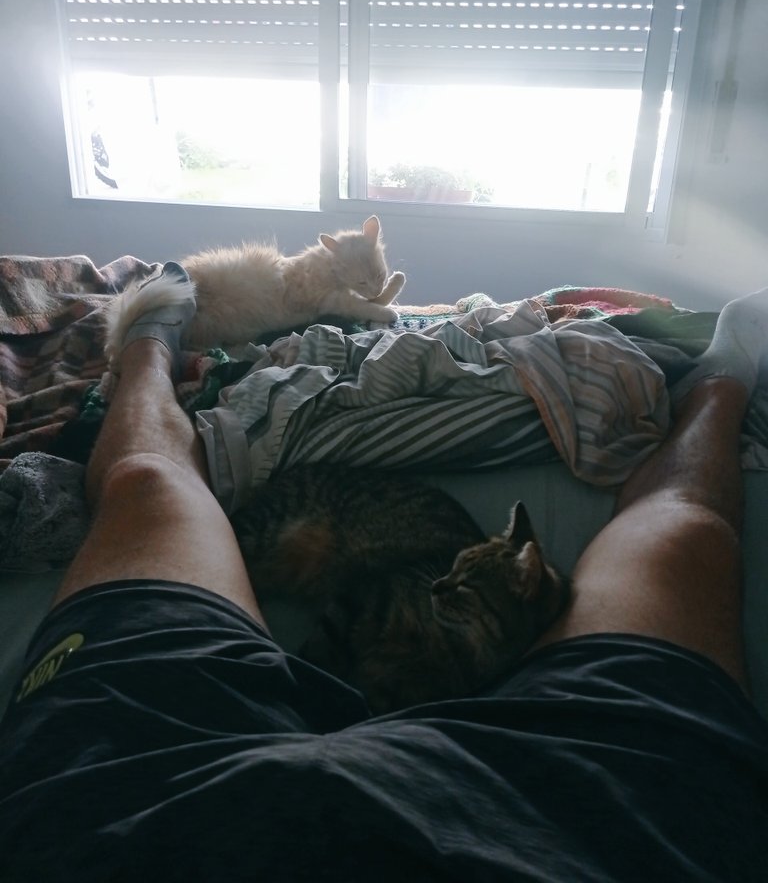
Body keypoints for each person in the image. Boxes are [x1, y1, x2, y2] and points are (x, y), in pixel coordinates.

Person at [0, 266, 767, 883]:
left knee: (146, 484)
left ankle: (147, 350)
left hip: (135, 809)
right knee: (684, 529)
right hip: (581, 826)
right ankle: (718, 382)